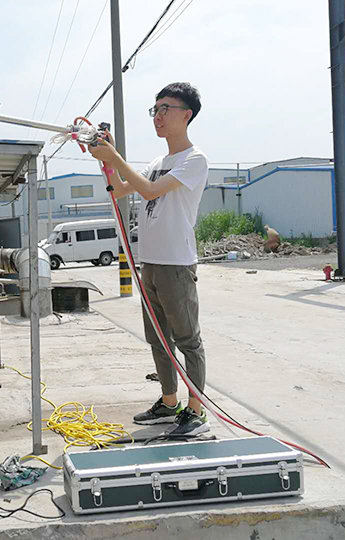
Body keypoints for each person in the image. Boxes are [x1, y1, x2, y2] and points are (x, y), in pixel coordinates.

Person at [88, 82, 210, 436]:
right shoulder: (159, 162)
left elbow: (151, 190)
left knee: (188, 339)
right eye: (154, 110)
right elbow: (124, 188)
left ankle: (196, 408)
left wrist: (115, 158)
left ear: (186, 115)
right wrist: (106, 161)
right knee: (158, 338)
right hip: (151, 263)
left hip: (175, 263)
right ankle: (169, 402)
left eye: (165, 109)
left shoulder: (194, 159)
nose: (157, 117)